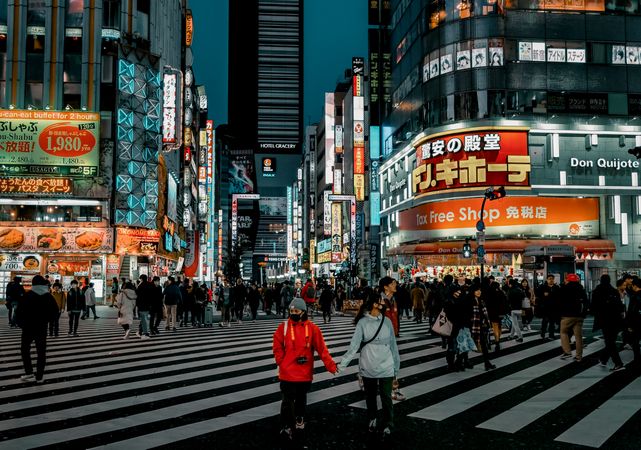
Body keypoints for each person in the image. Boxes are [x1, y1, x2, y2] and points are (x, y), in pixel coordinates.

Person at [272, 298, 338, 443]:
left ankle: (299, 417)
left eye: (296, 311)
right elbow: (277, 346)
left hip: (304, 372)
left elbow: (322, 349)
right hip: (287, 372)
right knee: (287, 401)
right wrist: (281, 361)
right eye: (291, 311)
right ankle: (286, 425)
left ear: (303, 312)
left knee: (301, 399)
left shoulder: (313, 329)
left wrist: (331, 365)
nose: (293, 313)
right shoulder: (283, 328)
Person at [338, 292, 400, 438]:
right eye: (380, 301)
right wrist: (342, 365)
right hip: (368, 364)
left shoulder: (387, 321)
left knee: (386, 397)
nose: (383, 303)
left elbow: (393, 345)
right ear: (374, 304)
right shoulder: (363, 322)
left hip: (386, 365)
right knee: (370, 396)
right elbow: (354, 346)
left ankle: (388, 424)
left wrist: (396, 368)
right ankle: (372, 418)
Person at [15, 275, 58, 383]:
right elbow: (55, 312)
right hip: (41, 328)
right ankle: (39, 377)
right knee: (41, 352)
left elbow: (18, 312)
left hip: (28, 328)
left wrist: (21, 324)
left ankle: (29, 372)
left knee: (25, 350)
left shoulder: (27, 295)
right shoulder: (48, 296)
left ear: (33, 284)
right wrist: (47, 321)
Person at [592, 274, 625, 372]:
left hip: (604, 320)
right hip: (616, 320)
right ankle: (603, 359)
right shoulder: (614, 291)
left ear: (600, 280)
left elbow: (593, 306)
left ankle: (618, 363)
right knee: (611, 341)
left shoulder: (597, 291)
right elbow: (620, 306)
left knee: (610, 342)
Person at [559, 273, 589, 362]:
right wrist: (583, 313)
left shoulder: (564, 288)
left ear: (568, 280)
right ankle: (579, 356)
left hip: (567, 315)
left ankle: (567, 352)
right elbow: (586, 301)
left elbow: (559, 301)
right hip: (579, 316)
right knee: (578, 336)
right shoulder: (581, 288)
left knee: (564, 332)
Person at [470, 284, 496, 371]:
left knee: (484, 345)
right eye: (477, 290)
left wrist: (486, 323)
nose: (479, 292)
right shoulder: (469, 301)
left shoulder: (481, 301)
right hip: (471, 326)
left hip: (481, 326)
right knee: (467, 345)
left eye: (480, 290)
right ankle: (461, 361)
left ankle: (487, 363)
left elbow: (485, 314)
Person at [485, 280, 508, 351]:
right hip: (501, 312)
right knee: (499, 326)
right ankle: (498, 339)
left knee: (494, 326)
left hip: (492, 312)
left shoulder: (489, 293)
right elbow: (505, 302)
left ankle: (497, 340)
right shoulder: (501, 293)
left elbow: (487, 303)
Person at [536, 274, 559, 340]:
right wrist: (543, 295)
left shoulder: (556, 287)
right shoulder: (542, 287)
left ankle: (551, 335)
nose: (551, 280)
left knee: (552, 322)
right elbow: (538, 294)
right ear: (547, 280)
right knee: (545, 321)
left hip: (553, 308)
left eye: (552, 279)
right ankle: (542, 333)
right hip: (545, 307)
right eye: (549, 279)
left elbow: (558, 296)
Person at [626, 278, 641, 370]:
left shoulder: (634, 296)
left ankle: (637, 361)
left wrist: (629, 324)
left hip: (636, 322)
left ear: (635, 286)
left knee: (635, 342)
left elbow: (630, 312)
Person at [135, 274, 154, 339]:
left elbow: (136, 296)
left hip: (142, 305)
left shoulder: (140, 286)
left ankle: (145, 333)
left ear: (141, 279)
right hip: (149, 305)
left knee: (143, 319)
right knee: (144, 318)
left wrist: (136, 305)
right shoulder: (151, 285)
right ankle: (140, 331)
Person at [507, 279, 525, 343]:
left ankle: (520, 337)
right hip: (520, 309)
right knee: (514, 323)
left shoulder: (510, 291)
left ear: (510, 284)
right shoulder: (520, 290)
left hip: (513, 309)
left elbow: (508, 300)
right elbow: (523, 297)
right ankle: (511, 335)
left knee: (515, 324)